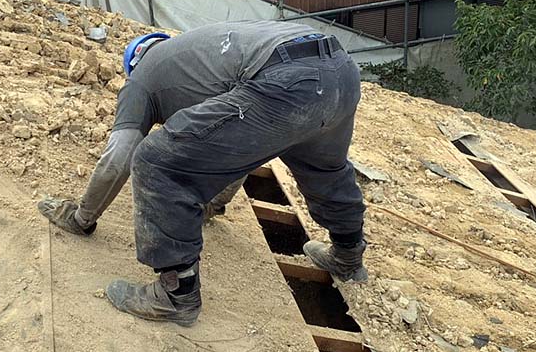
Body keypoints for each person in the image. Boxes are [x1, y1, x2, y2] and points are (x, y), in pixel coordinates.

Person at [38, 20, 367, 326]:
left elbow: (118, 158)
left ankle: (176, 295)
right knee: (326, 170)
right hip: (340, 70)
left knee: (155, 161)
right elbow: (235, 147)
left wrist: (82, 219)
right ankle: (348, 257)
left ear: (132, 65)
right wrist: (210, 204)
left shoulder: (140, 80)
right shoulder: (201, 58)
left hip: (287, 80)